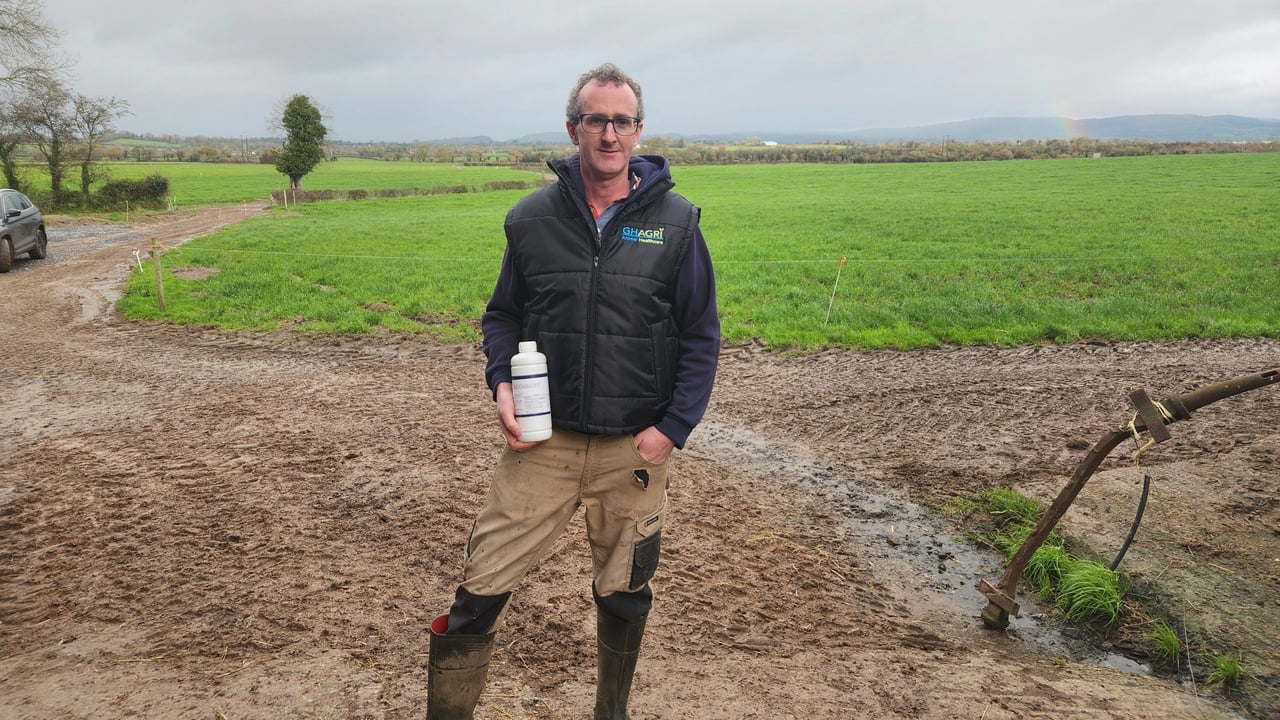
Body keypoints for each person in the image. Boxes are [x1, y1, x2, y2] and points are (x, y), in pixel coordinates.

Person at [427, 62, 720, 719]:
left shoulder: (675, 223)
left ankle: (609, 712)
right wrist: (501, 381)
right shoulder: (531, 219)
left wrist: (673, 427)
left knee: (625, 593)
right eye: (596, 120)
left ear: (639, 132)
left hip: (632, 454)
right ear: (573, 129)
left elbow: (701, 333)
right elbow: (502, 315)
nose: (608, 134)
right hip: (542, 443)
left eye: (621, 121)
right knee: (480, 588)